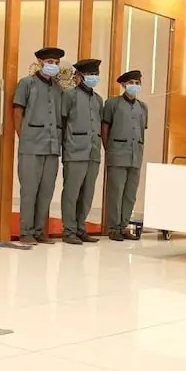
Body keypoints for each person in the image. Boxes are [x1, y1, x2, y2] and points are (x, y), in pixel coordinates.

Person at [13, 47, 66, 245]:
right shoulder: (26, 84)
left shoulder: (58, 88)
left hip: (52, 147)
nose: (54, 65)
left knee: (46, 191)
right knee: (29, 191)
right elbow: (17, 112)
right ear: (40, 62)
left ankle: (38, 231)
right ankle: (26, 232)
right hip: (31, 147)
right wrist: (24, 137)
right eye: (50, 61)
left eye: (56, 62)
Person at [59, 59, 104, 245]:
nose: (93, 77)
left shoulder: (98, 100)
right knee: (71, 192)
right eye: (89, 74)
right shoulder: (69, 96)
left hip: (93, 152)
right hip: (75, 151)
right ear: (79, 76)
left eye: (95, 74)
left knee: (87, 193)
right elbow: (62, 123)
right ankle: (69, 230)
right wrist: (64, 148)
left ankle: (80, 227)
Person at [101, 70, 148, 241]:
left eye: (137, 83)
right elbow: (105, 128)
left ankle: (124, 226)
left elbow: (141, 130)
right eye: (131, 83)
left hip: (135, 155)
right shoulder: (112, 104)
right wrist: (109, 149)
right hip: (117, 154)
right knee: (116, 192)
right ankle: (114, 228)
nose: (134, 86)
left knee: (130, 193)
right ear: (123, 85)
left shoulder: (143, 107)